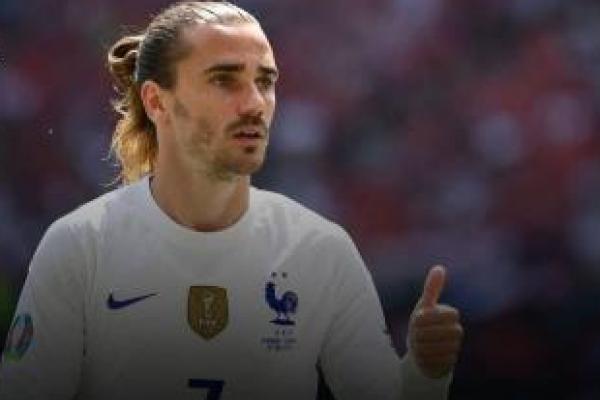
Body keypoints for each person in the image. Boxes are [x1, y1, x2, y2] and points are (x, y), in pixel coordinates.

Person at [0, 1, 463, 399]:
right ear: (157, 102)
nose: (255, 103)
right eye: (224, 80)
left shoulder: (320, 249)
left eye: (265, 81)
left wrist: (427, 371)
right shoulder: (81, 246)